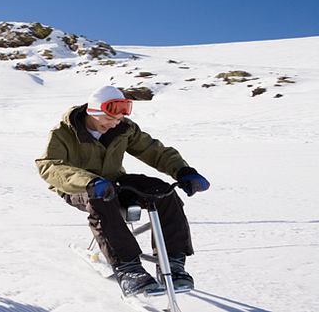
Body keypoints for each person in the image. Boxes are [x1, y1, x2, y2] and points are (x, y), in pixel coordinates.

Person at [35, 85, 210, 296]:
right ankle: (128, 268)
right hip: (78, 186)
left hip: (114, 180)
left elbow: (153, 150)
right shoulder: (64, 132)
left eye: (118, 120)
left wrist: (183, 171)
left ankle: (173, 263)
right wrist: (89, 181)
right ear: (93, 112)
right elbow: (49, 166)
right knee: (100, 201)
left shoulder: (123, 128)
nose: (114, 124)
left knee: (162, 191)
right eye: (108, 120)